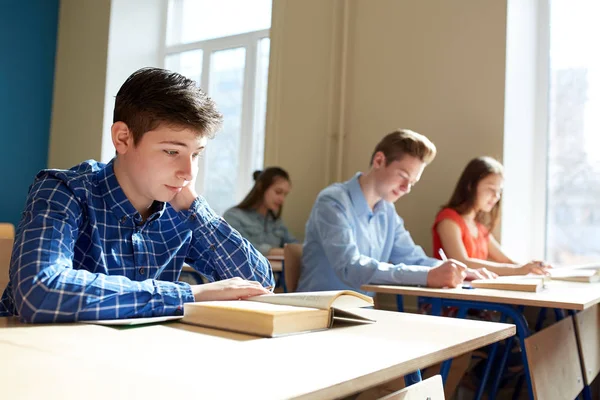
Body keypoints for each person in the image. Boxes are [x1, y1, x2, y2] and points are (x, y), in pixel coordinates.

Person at [0, 67, 273, 323]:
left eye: (196, 154)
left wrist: (197, 210)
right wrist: (190, 295)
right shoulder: (63, 190)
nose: (188, 172)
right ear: (123, 139)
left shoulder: (181, 210)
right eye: (172, 152)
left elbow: (260, 284)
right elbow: (39, 291)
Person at [297, 129, 494, 294]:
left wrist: (461, 271)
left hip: (359, 314)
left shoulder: (387, 211)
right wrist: (428, 276)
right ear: (379, 160)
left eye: (413, 183)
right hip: (317, 316)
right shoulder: (332, 201)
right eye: (402, 176)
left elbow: (414, 258)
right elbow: (350, 267)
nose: (406, 188)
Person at [433, 156, 551, 276]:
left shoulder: (480, 228)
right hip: (450, 293)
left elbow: (507, 261)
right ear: (470, 186)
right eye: (491, 189)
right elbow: (462, 262)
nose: (497, 196)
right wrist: (518, 270)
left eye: (499, 191)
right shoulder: (448, 219)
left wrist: (531, 267)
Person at [223, 167, 297, 256]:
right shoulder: (233, 216)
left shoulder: (276, 221)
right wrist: (278, 252)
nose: (282, 199)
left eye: (285, 194)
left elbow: (293, 245)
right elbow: (237, 247)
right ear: (261, 187)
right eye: (278, 192)